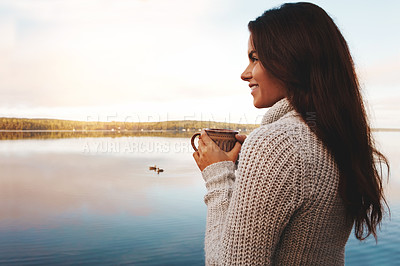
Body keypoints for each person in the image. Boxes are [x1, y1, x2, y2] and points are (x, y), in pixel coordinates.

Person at [192, 2, 389, 265]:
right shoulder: (334, 136)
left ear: (290, 61)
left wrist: (218, 177)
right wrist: (254, 165)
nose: (245, 73)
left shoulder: (276, 146)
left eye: (255, 58)